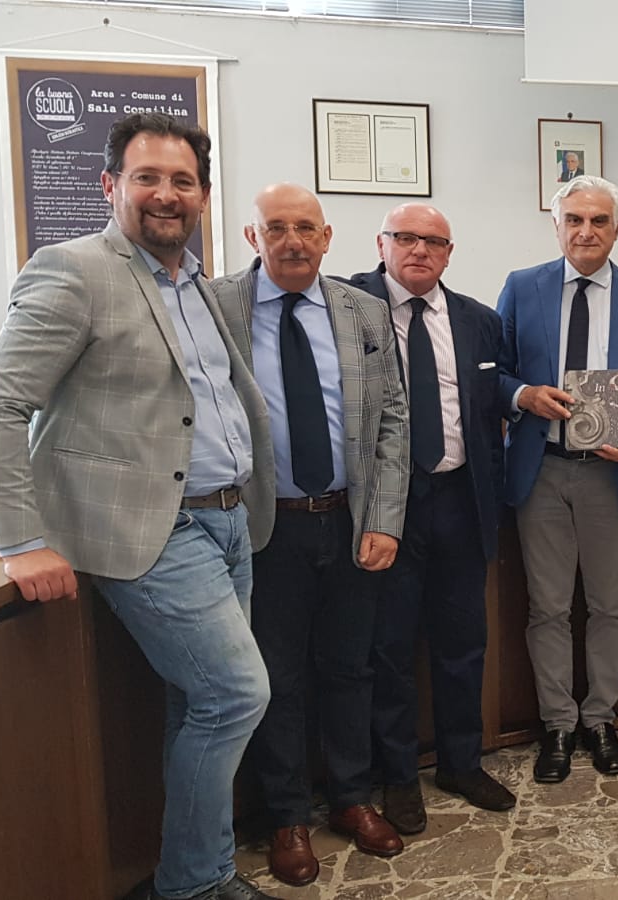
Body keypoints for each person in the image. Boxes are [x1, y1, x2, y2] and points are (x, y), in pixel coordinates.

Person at [0, 113, 281, 900]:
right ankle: (197, 885)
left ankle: (193, 873)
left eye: (183, 181)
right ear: (111, 185)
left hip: (229, 521)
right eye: (148, 177)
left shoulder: (195, 280)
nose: (166, 194)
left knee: (197, 701)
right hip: (151, 529)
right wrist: (20, 540)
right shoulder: (72, 271)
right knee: (236, 693)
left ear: (203, 195)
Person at [212, 184, 410, 887]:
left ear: (327, 237)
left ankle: (351, 798)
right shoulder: (215, 306)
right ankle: (287, 815)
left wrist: (384, 519)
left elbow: (393, 419)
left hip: (350, 521)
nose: (292, 240)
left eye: (305, 227)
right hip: (265, 528)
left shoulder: (364, 310)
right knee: (278, 677)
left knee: (350, 668)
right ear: (252, 236)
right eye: (276, 227)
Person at [497, 174, 618, 784]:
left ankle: (600, 720)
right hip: (541, 470)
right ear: (556, 226)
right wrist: (523, 394)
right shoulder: (522, 287)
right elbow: (493, 373)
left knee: (609, 606)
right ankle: (557, 723)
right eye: (574, 219)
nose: (586, 231)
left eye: (599, 220)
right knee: (547, 607)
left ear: (617, 229)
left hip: (611, 476)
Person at [345, 204, 515, 832]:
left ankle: (461, 763)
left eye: (434, 241)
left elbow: (490, 399)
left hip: (461, 501)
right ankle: (397, 776)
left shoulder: (478, 320)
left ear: (449, 253)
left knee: (463, 642)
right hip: (385, 505)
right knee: (389, 647)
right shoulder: (348, 306)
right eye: (406, 238)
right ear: (381, 244)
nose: (419, 250)